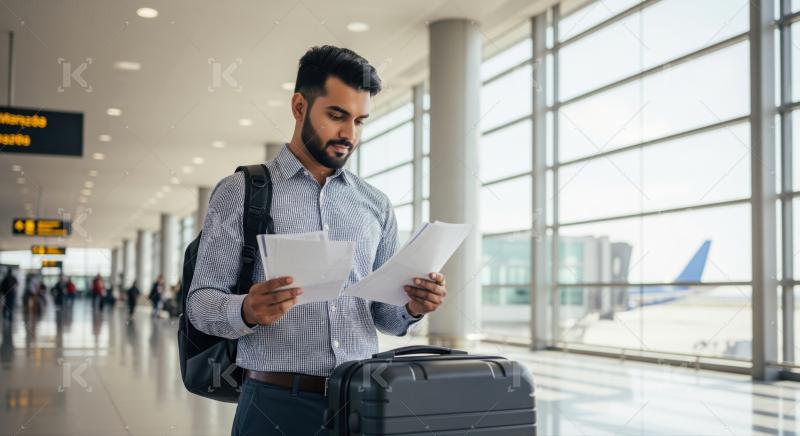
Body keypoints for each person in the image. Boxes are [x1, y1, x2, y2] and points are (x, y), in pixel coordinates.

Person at [186, 45, 448, 436]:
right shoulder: (240, 191)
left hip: (362, 402)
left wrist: (412, 304)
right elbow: (199, 303)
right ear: (299, 107)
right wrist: (247, 309)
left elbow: (385, 318)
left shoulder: (375, 204)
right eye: (337, 115)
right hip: (275, 404)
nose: (349, 134)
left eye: (360, 121)